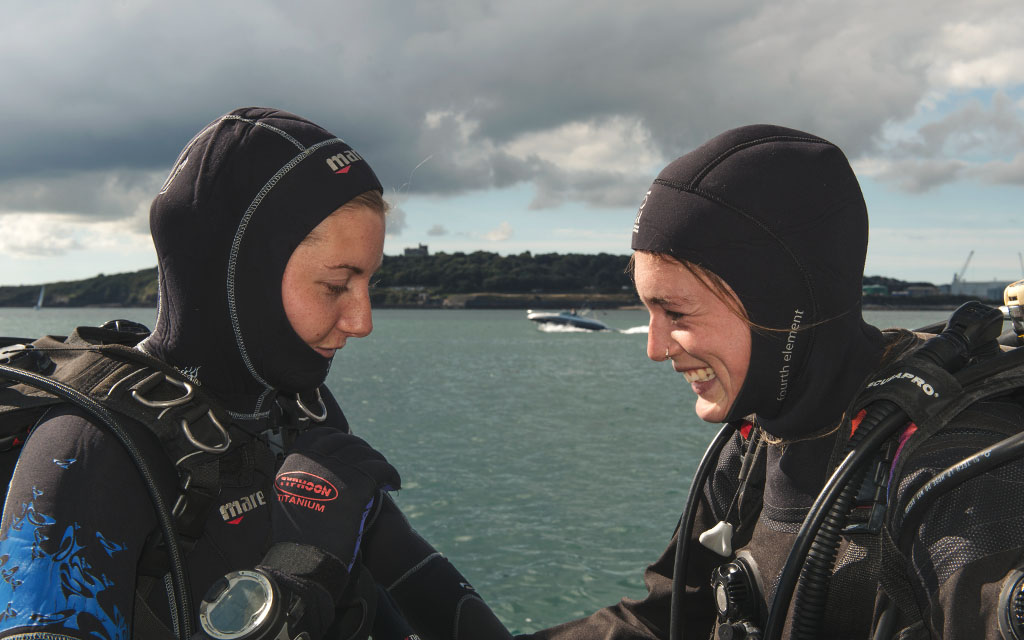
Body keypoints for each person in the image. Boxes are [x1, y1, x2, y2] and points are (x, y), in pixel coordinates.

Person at [360, 125, 1024, 640]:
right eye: (647, 311)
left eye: (675, 313)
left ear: (780, 306)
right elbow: (660, 621)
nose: (653, 348)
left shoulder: (958, 480)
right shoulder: (753, 448)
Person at [0, 107, 402, 640]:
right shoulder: (87, 453)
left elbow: (436, 601)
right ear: (240, 278)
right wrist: (301, 572)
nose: (362, 321)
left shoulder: (302, 413)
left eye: (368, 282)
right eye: (335, 285)